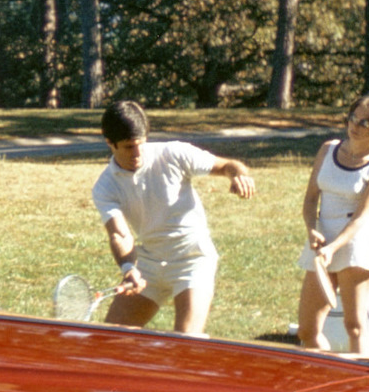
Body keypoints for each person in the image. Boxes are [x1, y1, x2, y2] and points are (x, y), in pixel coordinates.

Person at [92, 100, 256, 335]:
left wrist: (239, 176)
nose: (137, 153)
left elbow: (228, 165)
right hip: (148, 264)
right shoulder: (105, 186)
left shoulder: (174, 153)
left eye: (140, 144)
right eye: (129, 147)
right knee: (108, 341)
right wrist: (129, 269)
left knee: (185, 343)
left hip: (192, 259)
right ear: (110, 142)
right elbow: (119, 233)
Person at [298, 94, 369, 353]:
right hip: (321, 245)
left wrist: (334, 247)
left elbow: (363, 217)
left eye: (365, 122)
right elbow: (309, 200)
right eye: (354, 117)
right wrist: (312, 230)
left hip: (355, 246)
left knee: (354, 326)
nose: (355, 125)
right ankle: (326, 376)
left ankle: (358, 387)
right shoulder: (328, 150)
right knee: (307, 330)